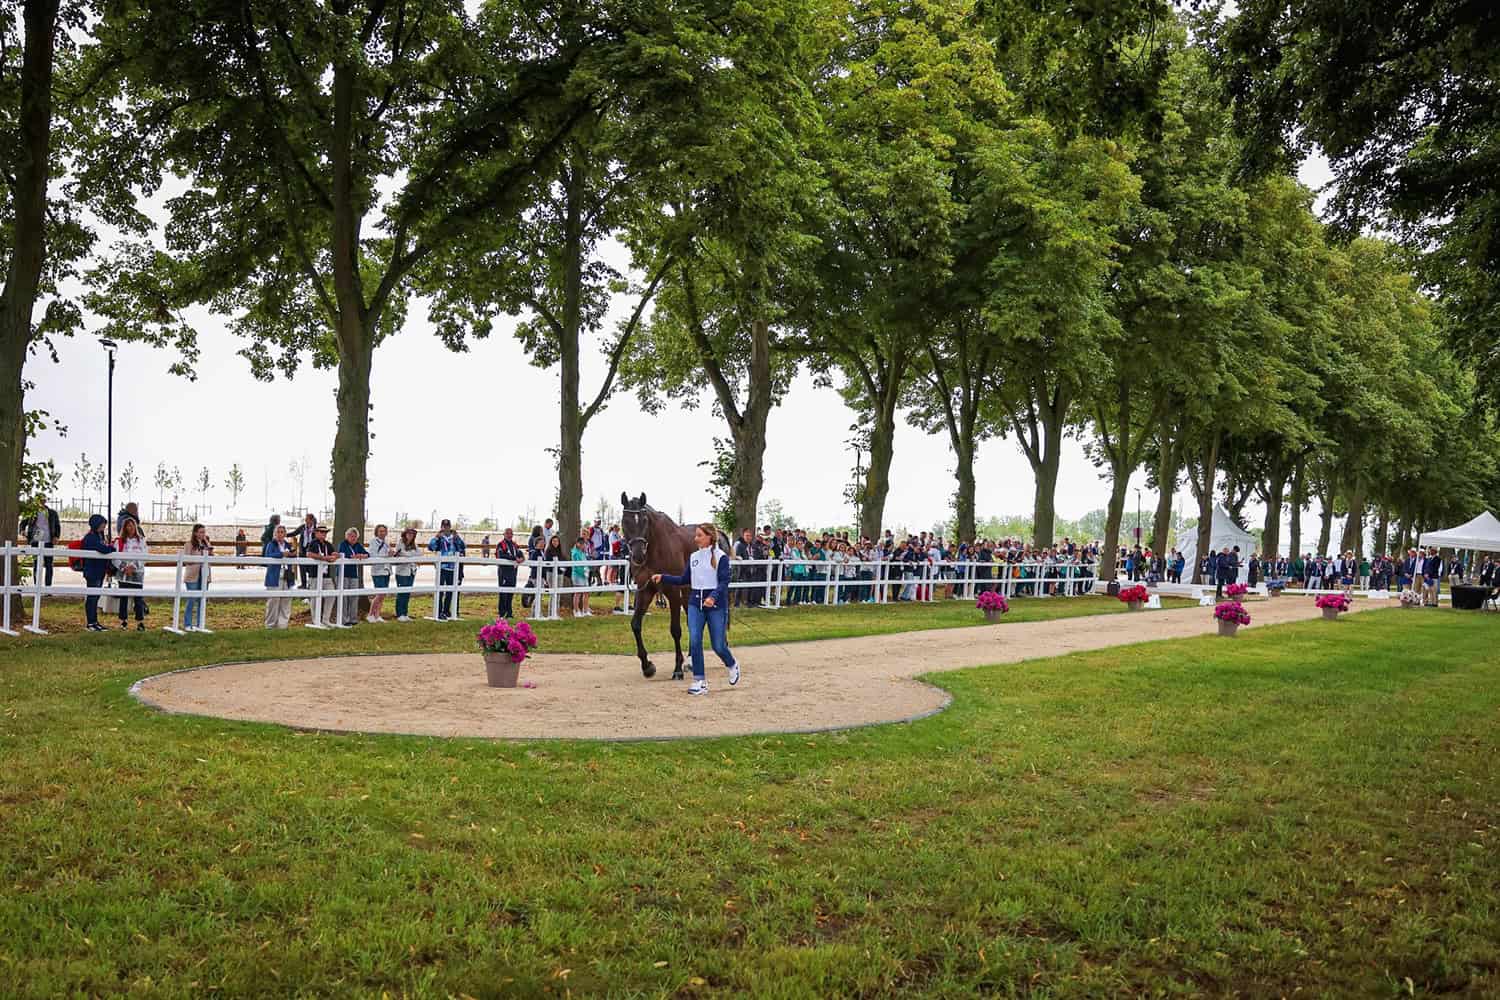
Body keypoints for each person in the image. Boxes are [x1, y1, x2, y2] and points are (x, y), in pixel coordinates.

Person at [650, 522, 739, 696]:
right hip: (694, 604)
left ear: (709, 537)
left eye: (699, 535)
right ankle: (700, 681)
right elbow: (684, 579)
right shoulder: (694, 557)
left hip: (715, 606)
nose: (695, 538)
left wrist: (713, 597)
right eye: (696, 535)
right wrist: (663, 578)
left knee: (718, 646)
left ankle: (732, 664)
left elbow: (724, 582)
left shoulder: (721, 557)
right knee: (695, 641)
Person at [80, 514, 116, 631]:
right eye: (102, 525)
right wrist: (112, 548)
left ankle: (94, 622)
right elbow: (102, 549)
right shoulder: (90, 537)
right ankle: (91, 623)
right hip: (92, 571)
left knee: (96, 597)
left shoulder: (99, 536)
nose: (103, 527)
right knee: (92, 597)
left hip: (99, 571)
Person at [114, 516, 149, 629]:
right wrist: (124, 568)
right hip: (123, 574)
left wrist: (133, 567)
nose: (131, 528)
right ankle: (123, 621)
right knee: (123, 598)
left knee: (138, 598)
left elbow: (144, 556)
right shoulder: (119, 542)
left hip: (137, 573)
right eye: (128, 526)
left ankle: (140, 622)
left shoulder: (142, 541)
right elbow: (115, 557)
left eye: (132, 525)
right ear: (124, 528)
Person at [20, 500, 62, 586]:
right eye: (39, 501)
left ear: (45, 501)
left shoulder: (52, 513)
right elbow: (22, 523)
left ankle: (48, 587)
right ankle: (37, 586)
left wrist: (56, 537)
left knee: (49, 565)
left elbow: (57, 526)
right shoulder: (32, 513)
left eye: (43, 501)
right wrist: (22, 530)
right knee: (36, 564)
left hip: (48, 542)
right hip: (36, 542)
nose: (41, 502)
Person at [303, 524, 338, 624]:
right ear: (316, 533)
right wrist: (324, 558)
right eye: (321, 532)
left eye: (325, 532)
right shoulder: (313, 543)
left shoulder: (328, 544)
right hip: (314, 575)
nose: (324, 534)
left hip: (326, 575)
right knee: (314, 598)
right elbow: (309, 554)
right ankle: (316, 621)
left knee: (331, 594)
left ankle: (326, 619)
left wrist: (336, 556)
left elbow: (334, 554)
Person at [180, 523, 213, 631]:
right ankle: (187, 624)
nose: (203, 534)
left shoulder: (206, 544)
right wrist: (198, 559)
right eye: (201, 532)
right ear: (195, 533)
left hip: (204, 575)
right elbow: (186, 560)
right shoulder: (189, 544)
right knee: (192, 599)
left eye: (204, 532)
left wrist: (209, 548)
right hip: (192, 576)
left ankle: (200, 624)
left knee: (202, 600)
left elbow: (211, 558)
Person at [262, 523, 295, 629]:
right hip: (274, 576)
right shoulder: (271, 544)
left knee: (286, 601)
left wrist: (292, 554)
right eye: (278, 532)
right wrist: (281, 554)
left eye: (282, 532)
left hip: (287, 576)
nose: (280, 534)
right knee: (273, 601)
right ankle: (270, 625)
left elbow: (292, 556)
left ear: (285, 534)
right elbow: (268, 556)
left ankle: (282, 625)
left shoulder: (288, 545)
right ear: (275, 534)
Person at [428, 520, 461, 620]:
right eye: (444, 526)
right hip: (442, 567)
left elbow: (463, 547)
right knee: (440, 590)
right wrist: (436, 537)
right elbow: (430, 547)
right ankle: (439, 611)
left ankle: (447, 611)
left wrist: (457, 538)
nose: (446, 528)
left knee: (451, 591)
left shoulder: (454, 537)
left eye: (447, 526)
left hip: (452, 568)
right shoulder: (439, 538)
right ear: (441, 527)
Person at [337, 527, 368, 625]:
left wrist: (363, 556)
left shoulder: (358, 545)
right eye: (351, 536)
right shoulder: (343, 544)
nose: (353, 538)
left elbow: (367, 554)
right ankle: (344, 620)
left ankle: (353, 619)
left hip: (354, 574)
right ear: (347, 536)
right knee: (344, 597)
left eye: (355, 536)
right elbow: (344, 554)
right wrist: (354, 556)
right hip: (343, 573)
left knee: (354, 596)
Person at [495, 527, 524, 618]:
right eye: (507, 533)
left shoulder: (514, 545)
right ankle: (502, 613)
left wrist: (522, 558)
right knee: (503, 592)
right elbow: (501, 555)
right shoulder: (500, 544)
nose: (509, 535)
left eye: (511, 533)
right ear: (504, 534)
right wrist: (514, 559)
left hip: (513, 572)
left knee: (511, 592)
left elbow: (520, 554)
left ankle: (509, 613)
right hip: (503, 572)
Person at [393, 527, 420, 622]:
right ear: (405, 534)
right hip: (402, 572)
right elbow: (401, 553)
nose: (410, 536)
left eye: (412, 534)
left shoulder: (414, 545)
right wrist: (411, 555)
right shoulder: (400, 542)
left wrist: (410, 555)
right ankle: (399, 613)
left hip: (411, 571)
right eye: (408, 534)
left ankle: (405, 613)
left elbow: (419, 554)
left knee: (407, 593)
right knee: (402, 592)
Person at [366, 524, 392, 622]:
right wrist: (386, 555)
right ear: (376, 532)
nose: (382, 533)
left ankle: (377, 615)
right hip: (378, 570)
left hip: (386, 570)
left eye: (384, 531)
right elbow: (373, 554)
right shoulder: (373, 542)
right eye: (380, 531)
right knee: (379, 593)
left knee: (383, 594)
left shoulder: (386, 543)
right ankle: (370, 614)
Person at [522, 526, 545, 612]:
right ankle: (534, 612)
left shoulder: (542, 553)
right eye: (541, 543)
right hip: (535, 576)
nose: (542, 544)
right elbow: (531, 564)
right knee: (536, 594)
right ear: (536, 544)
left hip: (542, 576)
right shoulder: (535, 552)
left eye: (543, 543)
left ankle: (537, 611)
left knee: (540, 595)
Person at [295, 513, 319, 588]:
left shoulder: (316, 529)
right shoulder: (303, 527)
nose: (305, 520)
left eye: (307, 518)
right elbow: (295, 533)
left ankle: (310, 584)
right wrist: (285, 535)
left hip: (311, 550)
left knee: (310, 568)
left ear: (311, 520)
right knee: (302, 568)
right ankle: (303, 584)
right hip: (303, 549)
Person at [570, 535, 591, 616]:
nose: (583, 545)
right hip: (577, 575)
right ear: (577, 544)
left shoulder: (583, 552)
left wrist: (586, 571)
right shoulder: (575, 552)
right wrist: (583, 572)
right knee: (578, 593)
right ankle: (576, 610)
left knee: (586, 593)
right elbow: (576, 566)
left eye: (584, 544)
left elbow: (585, 562)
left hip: (585, 574)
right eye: (581, 544)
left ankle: (585, 610)